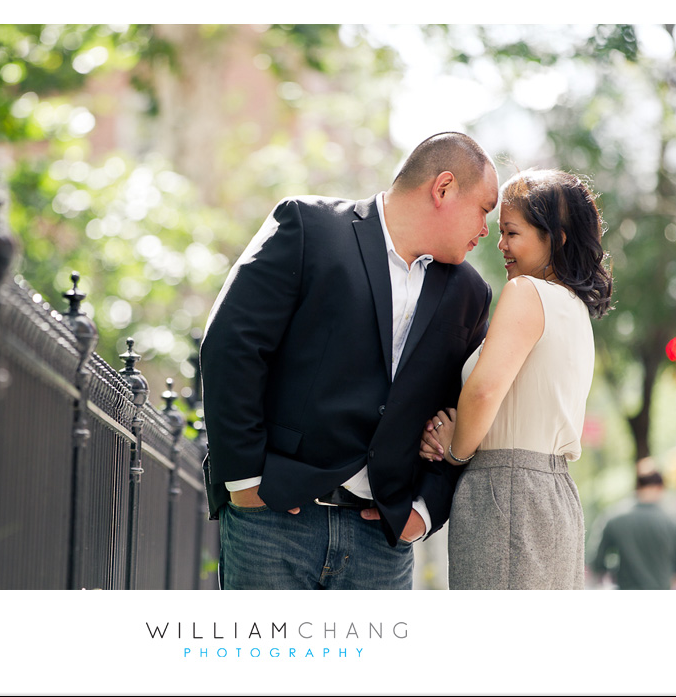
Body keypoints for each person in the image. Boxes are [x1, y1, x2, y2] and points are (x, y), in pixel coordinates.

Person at [200, 132, 498, 589]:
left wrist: (423, 512)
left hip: (381, 544)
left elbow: (460, 412)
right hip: (275, 521)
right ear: (443, 188)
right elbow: (232, 345)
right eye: (484, 209)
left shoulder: (470, 294)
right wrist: (244, 481)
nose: (486, 228)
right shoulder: (309, 226)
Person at [420, 168, 613, 589]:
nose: (501, 243)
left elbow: (485, 389)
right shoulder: (574, 308)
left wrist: (454, 450)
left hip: (506, 492)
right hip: (554, 494)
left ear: (556, 237)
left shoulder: (527, 292)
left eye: (512, 232)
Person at [591, 466, 676, 589]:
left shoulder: (614, 519)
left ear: (637, 487)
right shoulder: (673, 522)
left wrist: (618, 570)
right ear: (660, 487)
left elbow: (597, 563)